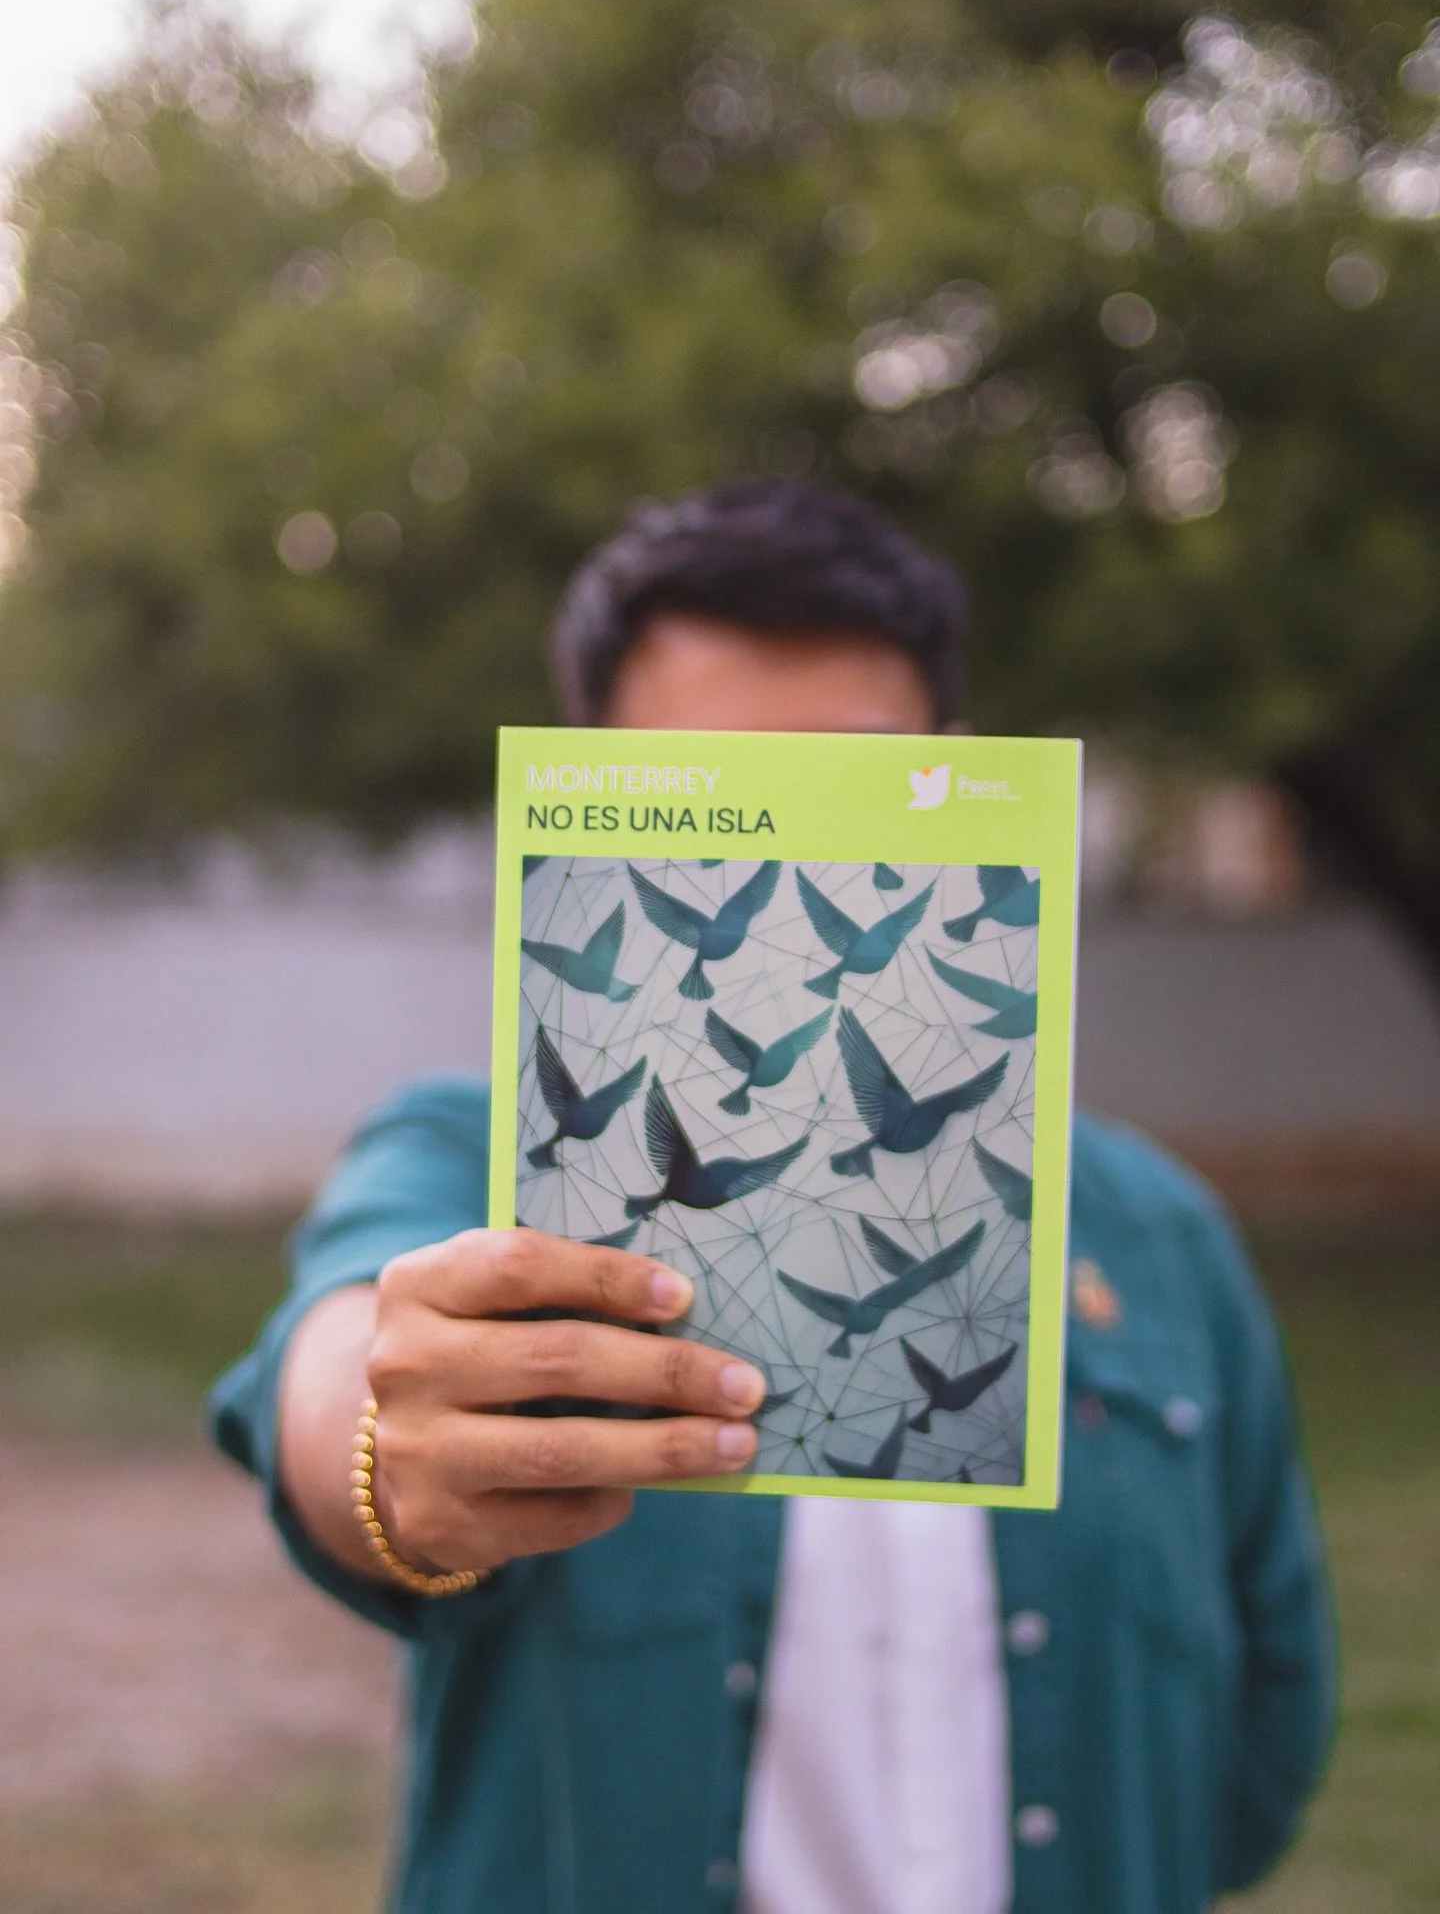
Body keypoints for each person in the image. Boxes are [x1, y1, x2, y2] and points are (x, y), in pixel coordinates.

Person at [212, 479, 1334, 1914]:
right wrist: (387, 1444)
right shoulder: (472, 1158)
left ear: (956, 775)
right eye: (714, 794)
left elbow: (1264, 1722)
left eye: (849, 787)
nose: (789, 862)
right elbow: (332, 1354)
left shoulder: (1161, 1235)